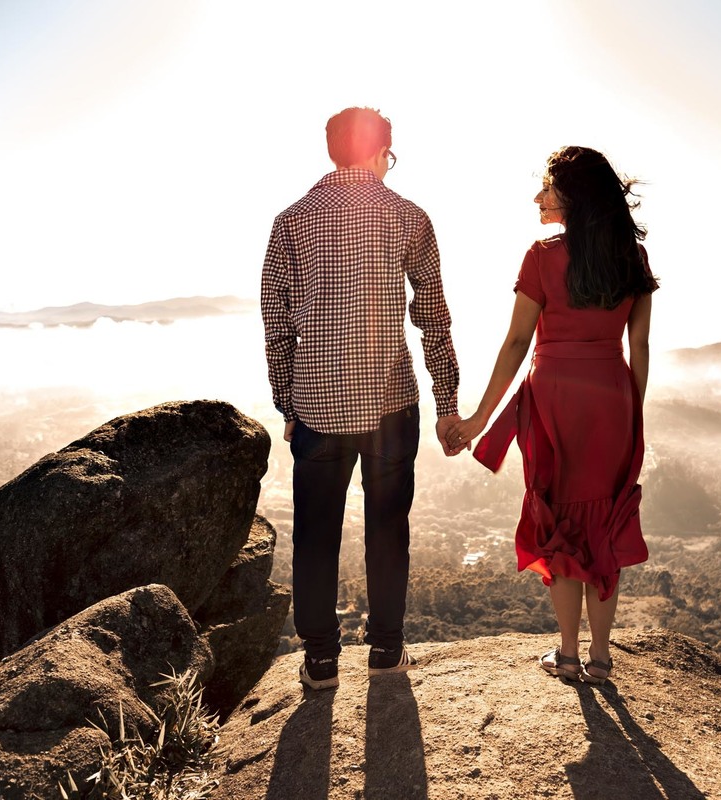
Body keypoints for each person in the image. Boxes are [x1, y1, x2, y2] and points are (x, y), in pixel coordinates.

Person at [261, 107, 462, 691]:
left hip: (318, 412)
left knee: (316, 533)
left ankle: (321, 660)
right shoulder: (409, 217)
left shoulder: (290, 222)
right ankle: (386, 651)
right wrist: (447, 401)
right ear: (381, 153)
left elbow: (277, 325)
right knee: (388, 531)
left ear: (332, 152)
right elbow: (433, 318)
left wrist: (287, 405)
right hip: (390, 407)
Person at [448, 146, 657, 684]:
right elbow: (641, 348)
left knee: (560, 521)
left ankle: (568, 654)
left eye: (547, 187)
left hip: (555, 401)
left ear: (573, 195)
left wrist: (477, 419)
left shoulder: (541, 256)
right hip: (613, 401)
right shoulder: (632, 259)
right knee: (604, 522)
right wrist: (631, 415)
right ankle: (601, 659)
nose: (538, 197)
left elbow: (518, 341)